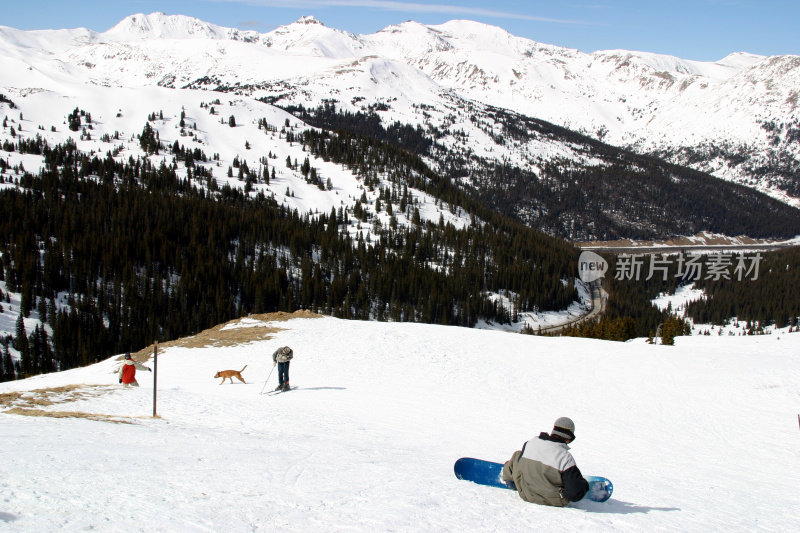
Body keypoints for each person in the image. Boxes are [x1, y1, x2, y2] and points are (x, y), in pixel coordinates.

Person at [501, 417, 589, 506]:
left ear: (554, 430)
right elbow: (573, 494)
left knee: (518, 455)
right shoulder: (565, 457)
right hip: (554, 500)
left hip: (526, 493)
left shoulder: (531, 443)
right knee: (567, 476)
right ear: (570, 438)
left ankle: (510, 478)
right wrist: (584, 485)